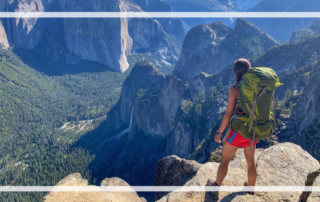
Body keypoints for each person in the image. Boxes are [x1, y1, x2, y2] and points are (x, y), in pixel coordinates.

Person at [207, 58, 257, 200]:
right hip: (253, 130)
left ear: (235, 72)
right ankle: (251, 189)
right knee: (251, 162)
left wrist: (219, 133)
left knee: (224, 160)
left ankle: (216, 188)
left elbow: (228, 113)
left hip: (238, 131)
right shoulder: (258, 87)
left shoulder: (235, 89)